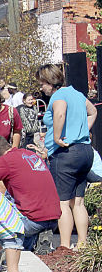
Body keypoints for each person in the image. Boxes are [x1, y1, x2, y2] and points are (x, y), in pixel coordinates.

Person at [36, 63, 97, 249]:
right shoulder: (77, 94)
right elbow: (93, 111)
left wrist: (56, 136)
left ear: (50, 81)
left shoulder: (59, 95)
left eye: (42, 83)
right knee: (78, 202)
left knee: (62, 202)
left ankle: (64, 246)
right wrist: (83, 131)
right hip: (85, 151)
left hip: (65, 154)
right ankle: (82, 244)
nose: (41, 88)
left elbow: (60, 113)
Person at [0, 135, 60, 254]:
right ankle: (37, 238)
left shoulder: (5, 160)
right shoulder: (31, 154)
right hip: (54, 217)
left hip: (32, 220)